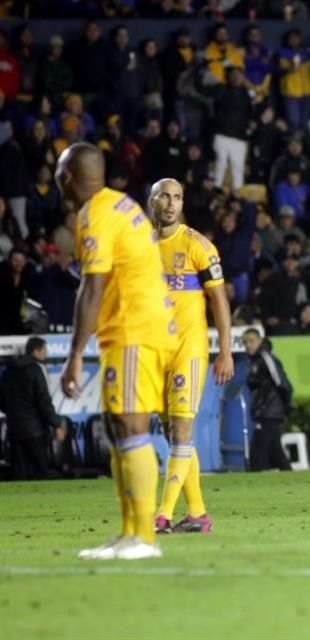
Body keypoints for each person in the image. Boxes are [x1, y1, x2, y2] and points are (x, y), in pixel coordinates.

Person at [57, 142, 177, 561]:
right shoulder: (120, 204)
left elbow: (92, 289)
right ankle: (129, 533)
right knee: (118, 428)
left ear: (68, 176)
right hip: (136, 327)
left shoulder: (95, 214)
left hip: (134, 329)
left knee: (130, 425)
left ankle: (144, 537)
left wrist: (74, 355)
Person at [149, 178, 235, 535]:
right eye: (165, 197)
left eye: (177, 198)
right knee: (174, 435)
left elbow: (219, 302)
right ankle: (197, 514)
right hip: (155, 353)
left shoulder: (198, 245)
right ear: (153, 201)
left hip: (189, 350)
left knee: (182, 430)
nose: (171, 203)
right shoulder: (141, 245)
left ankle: (162, 514)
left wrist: (225, 351)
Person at [0, 336, 65, 480]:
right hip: (35, 432)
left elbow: (2, 403)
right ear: (37, 351)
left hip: (14, 431)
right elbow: (44, 402)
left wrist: (14, 414)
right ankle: (43, 503)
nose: (46, 354)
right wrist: (57, 424)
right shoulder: (36, 370)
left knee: (19, 476)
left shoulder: (7, 372)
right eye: (45, 350)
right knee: (40, 474)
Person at [242, 328, 294, 472]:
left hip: (269, 412)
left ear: (260, 340)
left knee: (258, 452)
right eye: (245, 342)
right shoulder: (254, 361)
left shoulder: (266, 358)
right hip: (265, 411)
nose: (248, 345)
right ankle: (289, 476)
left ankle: (256, 479)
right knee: (275, 450)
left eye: (251, 341)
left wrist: (285, 406)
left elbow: (282, 383)